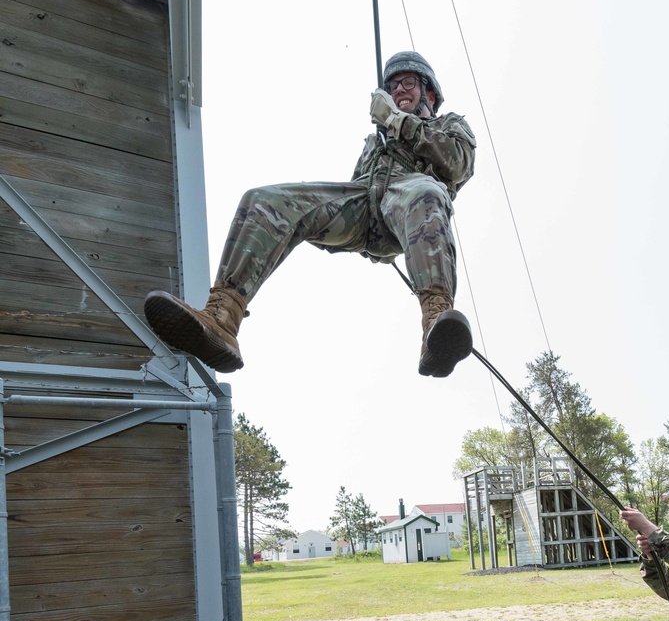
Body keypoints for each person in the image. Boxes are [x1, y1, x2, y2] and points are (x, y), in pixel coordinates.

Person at [143, 51, 476, 379]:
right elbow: (359, 182)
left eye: (408, 83)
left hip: (411, 202)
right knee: (263, 200)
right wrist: (383, 138)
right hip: (366, 205)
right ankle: (223, 316)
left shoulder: (449, 125)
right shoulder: (377, 141)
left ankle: (436, 322)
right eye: (392, 87)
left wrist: (396, 121)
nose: (399, 90)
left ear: (429, 92)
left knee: (427, 193)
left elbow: (458, 163)